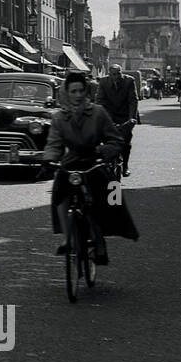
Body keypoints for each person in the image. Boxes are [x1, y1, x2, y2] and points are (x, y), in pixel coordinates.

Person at [41, 71, 135, 265]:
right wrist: (49, 160)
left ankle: (100, 242)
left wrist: (104, 150)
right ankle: (67, 237)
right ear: (66, 92)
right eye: (73, 91)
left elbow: (115, 139)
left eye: (80, 91)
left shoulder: (98, 113)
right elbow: (54, 143)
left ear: (86, 92)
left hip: (95, 161)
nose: (77, 95)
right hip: (72, 161)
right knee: (59, 193)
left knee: (108, 194)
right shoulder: (59, 118)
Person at [95, 64, 139, 176]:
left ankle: (125, 166)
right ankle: (106, 164)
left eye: (118, 73)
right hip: (109, 115)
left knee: (126, 142)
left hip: (125, 115)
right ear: (109, 75)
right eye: (113, 74)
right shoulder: (103, 82)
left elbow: (133, 100)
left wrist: (132, 118)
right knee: (105, 139)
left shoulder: (129, 81)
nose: (116, 77)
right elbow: (100, 101)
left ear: (121, 72)